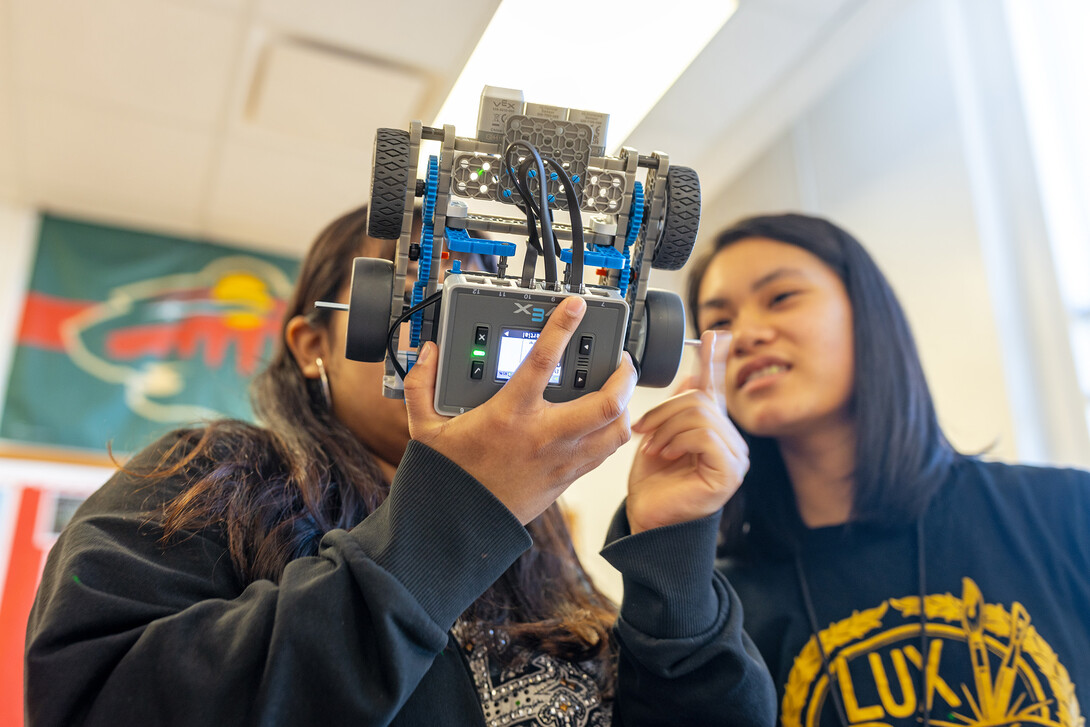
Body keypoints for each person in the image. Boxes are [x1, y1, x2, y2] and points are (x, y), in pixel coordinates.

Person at [25, 205, 776, 726]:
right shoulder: (210, 475)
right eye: (417, 282)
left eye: (484, 284)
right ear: (312, 343)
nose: (457, 315)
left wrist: (674, 555)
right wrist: (450, 515)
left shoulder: (535, 534)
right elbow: (99, 703)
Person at [634, 211, 1090, 727]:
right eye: (719, 322)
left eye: (781, 297)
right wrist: (666, 546)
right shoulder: (718, 606)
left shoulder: (1068, 512)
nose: (746, 335)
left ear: (867, 313)